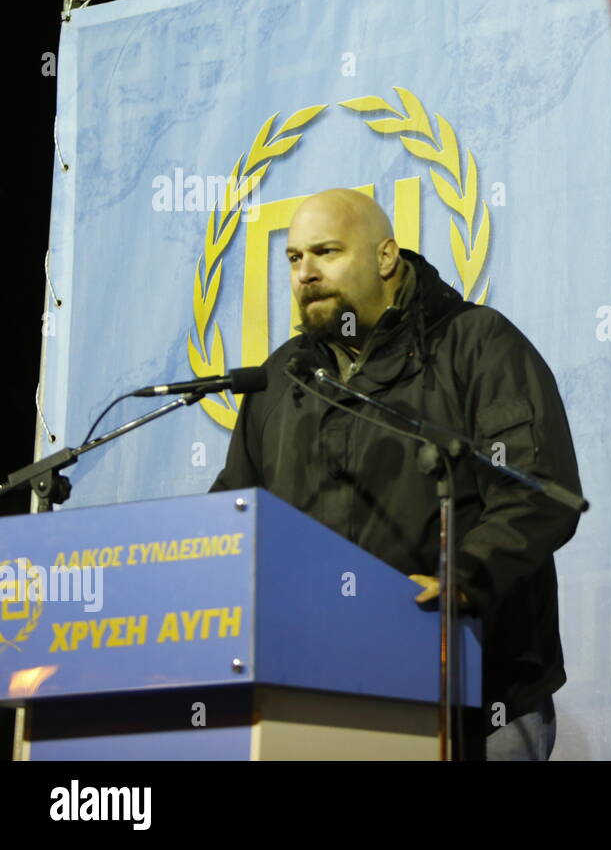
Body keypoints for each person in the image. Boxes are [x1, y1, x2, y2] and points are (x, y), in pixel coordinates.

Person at [209, 187, 583, 761]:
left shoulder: (476, 344)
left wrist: (464, 576)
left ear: (386, 257)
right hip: (318, 705)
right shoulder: (280, 379)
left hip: (476, 702)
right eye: (294, 258)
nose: (305, 273)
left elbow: (535, 492)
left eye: (326, 252)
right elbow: (235, 515)